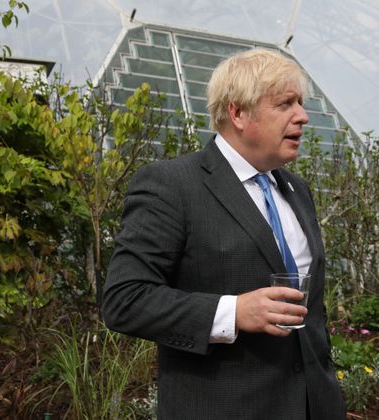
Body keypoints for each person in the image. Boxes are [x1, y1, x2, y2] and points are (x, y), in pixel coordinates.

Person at [102, 48, 346, 420]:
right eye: (285, 104)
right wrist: (233, 312)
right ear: (238, 113)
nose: (303, 116)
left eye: (300, 102)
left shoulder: (297, 190)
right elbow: (125, 299)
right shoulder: (172, 186)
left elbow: (312, 312)